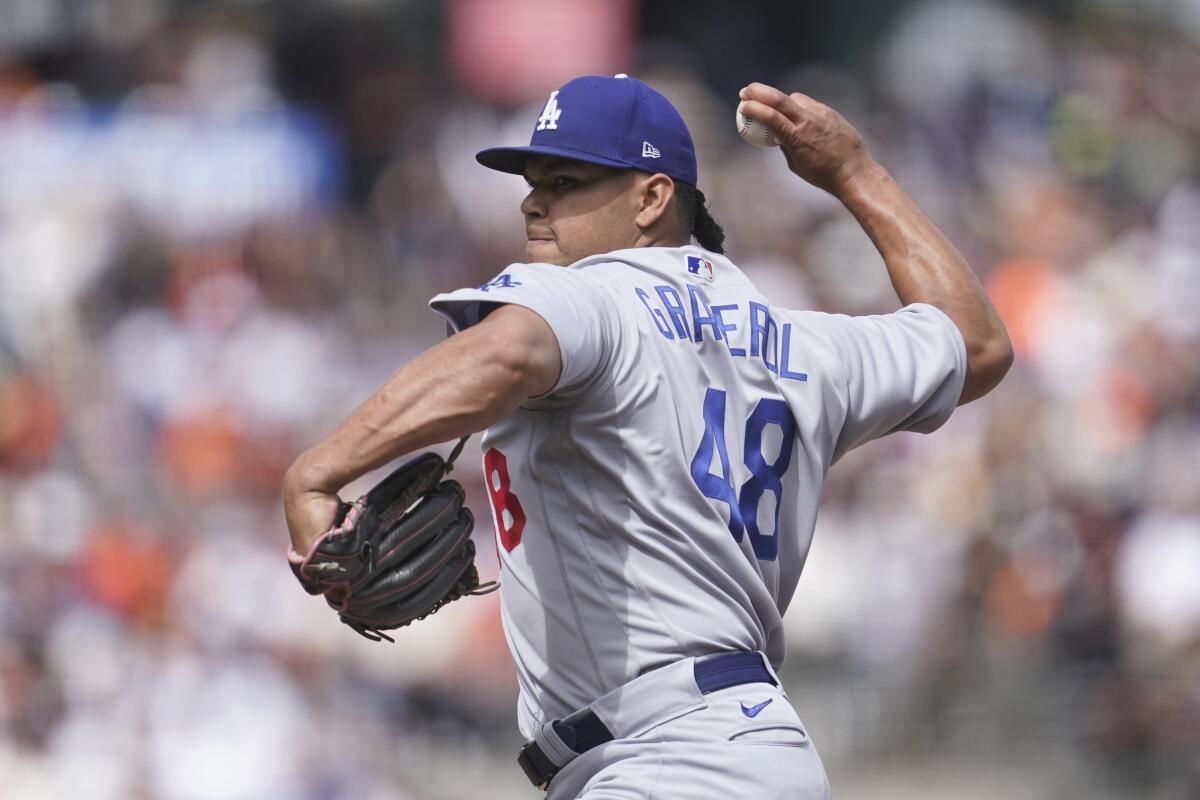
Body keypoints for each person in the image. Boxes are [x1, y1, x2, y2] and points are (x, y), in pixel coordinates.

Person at [283, 75, 1012, 798]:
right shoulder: (803, 342)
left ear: (653, 197)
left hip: (668, 756)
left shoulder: (594, 294)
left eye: (565, 180)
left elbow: (506, 353)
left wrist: (315, 473)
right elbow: (975, 345)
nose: (534, 201)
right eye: (532, 181)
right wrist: (855, 174)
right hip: (749, 751)